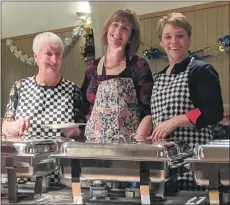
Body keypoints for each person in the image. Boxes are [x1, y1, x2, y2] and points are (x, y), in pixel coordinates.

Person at [147, 12, 224, 190]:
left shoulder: (201, 71)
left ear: (189, 39)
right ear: (161, 43)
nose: (173, 41)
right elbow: (156, 115)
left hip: (194, 165)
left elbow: (213, 111)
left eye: (179, 35)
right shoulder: (158, 78)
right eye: (168, 37)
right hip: (164, 168)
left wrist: (176, 121)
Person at [2, 32, 85, 184]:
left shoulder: (73, 90)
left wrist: (76, 132)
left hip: (61, 176)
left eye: (58, 54)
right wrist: (14, 126)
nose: (55, 60)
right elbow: (5, 127)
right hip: (25, 173)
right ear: (36, 57)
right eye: (49, 54)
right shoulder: (20, 87)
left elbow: (84, 131)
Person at [81, 9, 153, 143]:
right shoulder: (92, 67)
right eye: (115, 25)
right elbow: (84, 107)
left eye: (125, 28)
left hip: (128, 147)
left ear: (131, 37)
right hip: (94, 147)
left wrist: (138, 141)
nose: (118, 32)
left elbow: (149, 112)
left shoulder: (138, 66)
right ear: (108, 28)